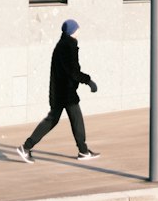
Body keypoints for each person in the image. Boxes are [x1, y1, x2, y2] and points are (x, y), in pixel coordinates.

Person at [17, 19, 100, 162]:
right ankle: (83, 151)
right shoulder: (68, 46)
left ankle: (26, 147)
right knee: (76, 120)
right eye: (77, 29)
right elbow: (73, 71)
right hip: (65, 92)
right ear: (72, 31)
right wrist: (88, 81)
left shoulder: (62, 45)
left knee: (54, 120)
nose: (79, 31)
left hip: (60, 91)